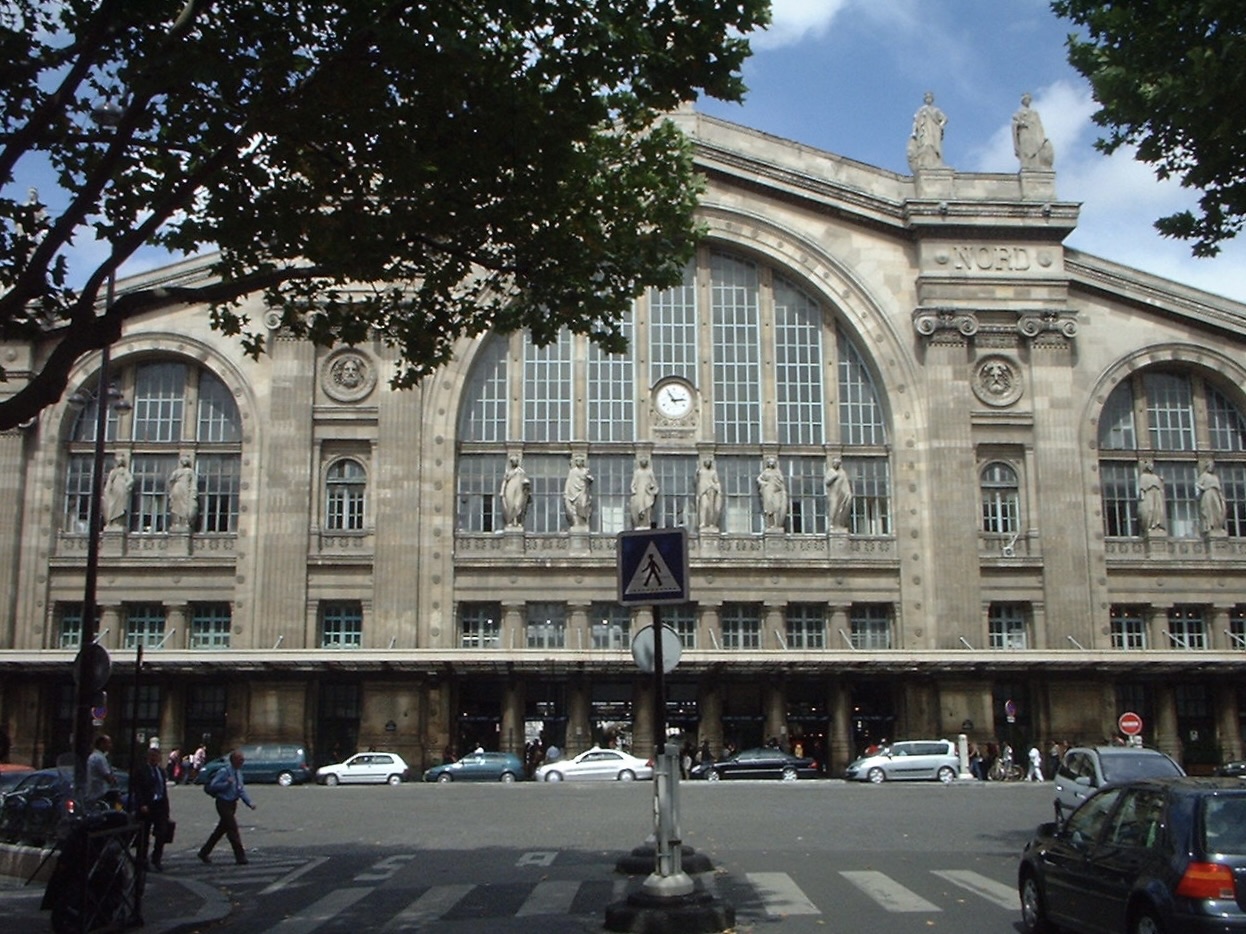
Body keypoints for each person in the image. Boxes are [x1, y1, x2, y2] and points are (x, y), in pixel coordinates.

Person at [199, 749, 256, 865]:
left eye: (243, 760)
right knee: (232, 829)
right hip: (223, 802)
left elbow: (240, 790)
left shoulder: (239, 772)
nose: (242, 762)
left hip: (232, 803)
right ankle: (240, 857)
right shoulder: (224, 772)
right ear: (234, 760)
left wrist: (249, 803)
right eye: (240, 760)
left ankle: (204, 852)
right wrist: (227, 784)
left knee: (220, 831)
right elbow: (214, 785)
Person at [134, 745, 172, 871]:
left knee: (161, 833)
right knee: (144, 835)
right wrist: (142, 804)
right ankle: (142, 860)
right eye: (153, 756)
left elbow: (163, 789)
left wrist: (166, 807)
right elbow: (137, 789)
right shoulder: (142, 770)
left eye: (157, 756)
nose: (155, 759)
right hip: (147, 805)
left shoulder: (161, 771)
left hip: (160, 805)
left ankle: (156, 859)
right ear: (148, 757)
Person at [1012, 92, 1054, 170]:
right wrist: (1021, 124)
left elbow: (1039, 125)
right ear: (1023, 101)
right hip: (1024, 134)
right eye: (1025, 99)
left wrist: (1041, 138)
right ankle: (1027, 164)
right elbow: (1015, 123)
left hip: (1034, 134)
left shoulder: (1034, 113)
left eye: (1028, 99)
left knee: (1035, 150)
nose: (1027, 101)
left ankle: (1035, 165)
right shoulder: (1019, 113)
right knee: (1026, 151)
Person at [906, 91, 946, 171]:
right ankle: (924, 162)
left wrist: (941, 125)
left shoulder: (936, 110)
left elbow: (944, 119)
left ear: (932, 99)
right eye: (927, 98)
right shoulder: (921, 110)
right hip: (924, 131)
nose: (928, 99)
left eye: (930, 98)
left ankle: (936, 162)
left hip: (934, 131)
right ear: (925, 99)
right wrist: (914, 132)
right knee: (926, 145)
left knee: (935, 147)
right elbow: (916, 121)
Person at [85, 734, 117, 809]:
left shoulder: (93, 756)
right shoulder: (100, 758)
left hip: (93, 792)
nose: (110, 745)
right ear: (102, 744)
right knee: (118, 802)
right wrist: (113, 780)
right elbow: (108, 777)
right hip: (100, 793)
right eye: (108, 743)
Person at [499, 453, 531, 529]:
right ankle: (510, 521)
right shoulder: (508, 473)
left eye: (515, 461)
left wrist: (526, 487)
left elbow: (525, 481)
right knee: (510, 505)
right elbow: (505, 482)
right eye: (512, 461)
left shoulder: (521, 472)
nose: (514, 462)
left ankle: (517, 521)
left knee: (518, 505)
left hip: (519, 490)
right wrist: (502, 491)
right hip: (510, 489)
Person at [167, 454, 198, 530]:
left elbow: (193, 482)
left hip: (186, 489)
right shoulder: (177, 472)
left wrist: (193, 492)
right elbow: (170, 481)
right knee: (176, 506)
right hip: (178, 489)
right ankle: (177, 522)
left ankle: (185, 522)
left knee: (186, 506)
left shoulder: (190, 471)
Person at [757, 457, 788, 530]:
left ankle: (776, 524)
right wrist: (764, 483)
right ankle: (769, 525)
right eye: (770, 462)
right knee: (769, 508)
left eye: (773, 462)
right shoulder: (766, 472)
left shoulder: (778, 472)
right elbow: (759, 479)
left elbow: (781, 481)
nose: (772, 463)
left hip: (777, 491)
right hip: (768, 490)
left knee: (777, 507)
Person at [103, 456, 134, 530]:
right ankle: (111, 522)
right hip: (114, 491)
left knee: (120, 506)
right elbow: (109, 482)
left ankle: (117, 522)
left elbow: (131, 480)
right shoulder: (113, 472)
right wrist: (108, 490)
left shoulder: (124, 471)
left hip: (121, 490)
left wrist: (125, 486)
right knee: (112, 505)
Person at [563, 454, 593, 530]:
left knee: (583, 505)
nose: (578, 462)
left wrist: (588, 478)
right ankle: (577, 523)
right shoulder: (573, 471)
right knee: (574, 508)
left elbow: (590, 478)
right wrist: (566, 492)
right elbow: (569, 482)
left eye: (580, 461)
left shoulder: (586, 471)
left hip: (583, 491)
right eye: (576, 461)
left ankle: (582, 523)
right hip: (573, 491)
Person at [629, 455, 659, 529]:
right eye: (642, 461)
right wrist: (633, 490)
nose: (643, 462)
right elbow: (633, 483)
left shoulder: (650, 472)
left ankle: (646, 523)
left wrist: (653, 488)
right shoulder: (637, 472)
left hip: (647, 493)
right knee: (640, 507)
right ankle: (640, 523)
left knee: (647, 507)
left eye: (645, 461)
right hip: (639, 492)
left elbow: (654, 482)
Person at [1197, 460, 1227, 533]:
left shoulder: (1215, 477)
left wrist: (1221, 496)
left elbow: (1218, 488)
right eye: (1210, 466)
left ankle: (1218, 526)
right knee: (1209, 510)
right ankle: (1209, 526)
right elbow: (1198, 484)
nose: (1211, 468)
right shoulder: (1204, 475)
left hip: (1216, 493)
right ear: (1207, 467)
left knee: (1218, 509)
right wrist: (1203, 488)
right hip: (1208, 493)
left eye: (1212, 467)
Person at [825, 456, 853, 531]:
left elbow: (846, 484)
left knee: (841, 509)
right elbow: (827, 482)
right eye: (834, 463)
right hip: (833, 494)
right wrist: (834, 477)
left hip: (841, 494)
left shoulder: (843, 473)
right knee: (833, 509)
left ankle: (840, 524)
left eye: (836, 463)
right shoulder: (831, 471)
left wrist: (848, 493)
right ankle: (831, 524)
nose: (835, 464)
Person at [1138, 460, 1167, 533]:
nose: (1151, 467)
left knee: (1158, 510)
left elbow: (1161, 488)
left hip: (1157, 494)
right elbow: (1142, 488)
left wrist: (1162, 482)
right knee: (1150, 509)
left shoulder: (1156, 477)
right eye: (1149, 466)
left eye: (1152, 466)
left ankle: (1157, 525)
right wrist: (1142, 496)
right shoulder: (1143, 476)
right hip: (1149, 493)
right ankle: (1149, 525)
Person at [696, 455, 722, 530]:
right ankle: (702, 522)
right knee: (704, 506)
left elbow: (716, 482)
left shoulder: (713, 472)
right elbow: (696, 482)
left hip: (711, 490)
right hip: (703, 491)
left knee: (711, 508)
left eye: (709, 461)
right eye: (706, 460)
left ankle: (711, 523)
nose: (708, 462)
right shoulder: (700, 472)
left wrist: (718, 490)